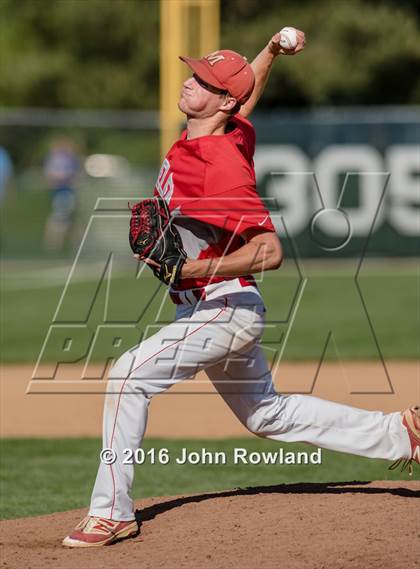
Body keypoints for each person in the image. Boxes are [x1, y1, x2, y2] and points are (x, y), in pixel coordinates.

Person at [63, 30, 419, 547]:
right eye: (194, 73)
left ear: (221, 101)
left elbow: (269, 252)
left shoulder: (222, 165)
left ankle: (111, 512)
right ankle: (401, 433)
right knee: (265, 413)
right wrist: (270, 52)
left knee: (126, 378)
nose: (189, 83)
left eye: (202, 81)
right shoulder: (225, 129)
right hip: (211, 309)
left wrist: (188, 272)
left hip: (224, 306)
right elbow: (243, 94)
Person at [43, 137, 80, 251]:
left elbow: (76, 175)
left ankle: (66, 246)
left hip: (68, 192)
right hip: (61, 193)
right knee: (59, 220)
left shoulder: (70, 158)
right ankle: (53, 246)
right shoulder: (54, 159)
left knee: (70, 220)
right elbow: (50, 176)